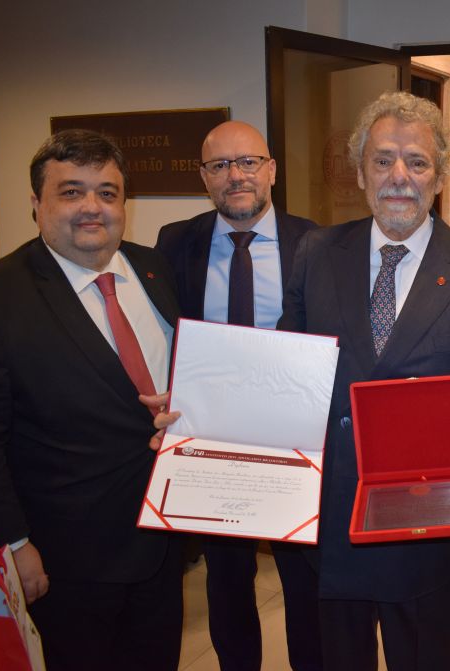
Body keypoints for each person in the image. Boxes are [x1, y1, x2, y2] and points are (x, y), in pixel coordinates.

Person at [277, 91, 450, 670]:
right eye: (383, 160)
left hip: (427, 513)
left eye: (417, 162)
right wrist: (205, 413)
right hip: (334, 508)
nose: (399, 177)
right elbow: (288, 368)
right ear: (361, 172)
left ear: (440, 177)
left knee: (425, 657)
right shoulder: (317, 251)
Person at [0, 129, 183, 670]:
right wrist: (15, 543)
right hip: (68, 557)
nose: (92, 207)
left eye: (107, 193)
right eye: (71, 191)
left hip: (163, 537)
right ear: (37, 203)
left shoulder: (153, 268)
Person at [155, 120, 319, 671]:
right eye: (220, 165)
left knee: (304, 580)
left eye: (248, 162)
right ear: (204, 177)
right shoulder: (175, 242)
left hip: (292, 439)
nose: (236, 176)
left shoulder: (315, 243)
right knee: (226, 582)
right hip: (212, 440)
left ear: (271, 169)